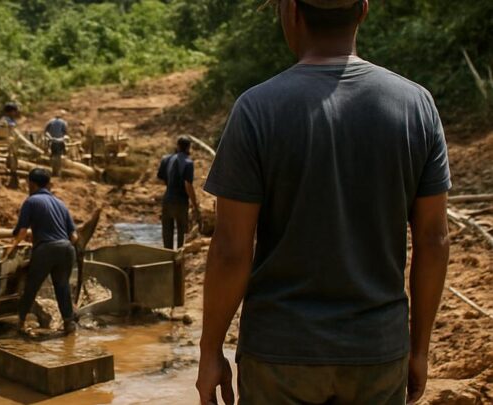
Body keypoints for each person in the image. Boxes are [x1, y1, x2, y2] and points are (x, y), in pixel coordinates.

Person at [196, 1, 451, 404]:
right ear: (363, 11)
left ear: (291, 12)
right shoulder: (415, 106)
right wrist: (418, 349)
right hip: (377, 352)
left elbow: (230, 249)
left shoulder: (256, 109)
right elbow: (434, 241)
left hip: (280, 355)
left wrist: (210, 351)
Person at [5, 168, 79, 335]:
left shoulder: (31, 201)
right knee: (62, 286)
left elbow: (22, 231)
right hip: (66, 248)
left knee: (32, 286)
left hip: (46, 249)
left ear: (31, 183)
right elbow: (74, 236)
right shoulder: (61, 203)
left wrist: (12, 247)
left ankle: (21, 322)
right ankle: (69, 324)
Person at [157, 135, 199, 250]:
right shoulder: (188, 163)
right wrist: (195, 204)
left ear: (178, 146)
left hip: (167, 200)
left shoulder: (166, 159)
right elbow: (188, 185)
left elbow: (161, 178)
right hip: (181, 202)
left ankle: (167, 259)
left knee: (167, 234)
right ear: (188, 148)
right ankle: (179, 262)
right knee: (182, 235)